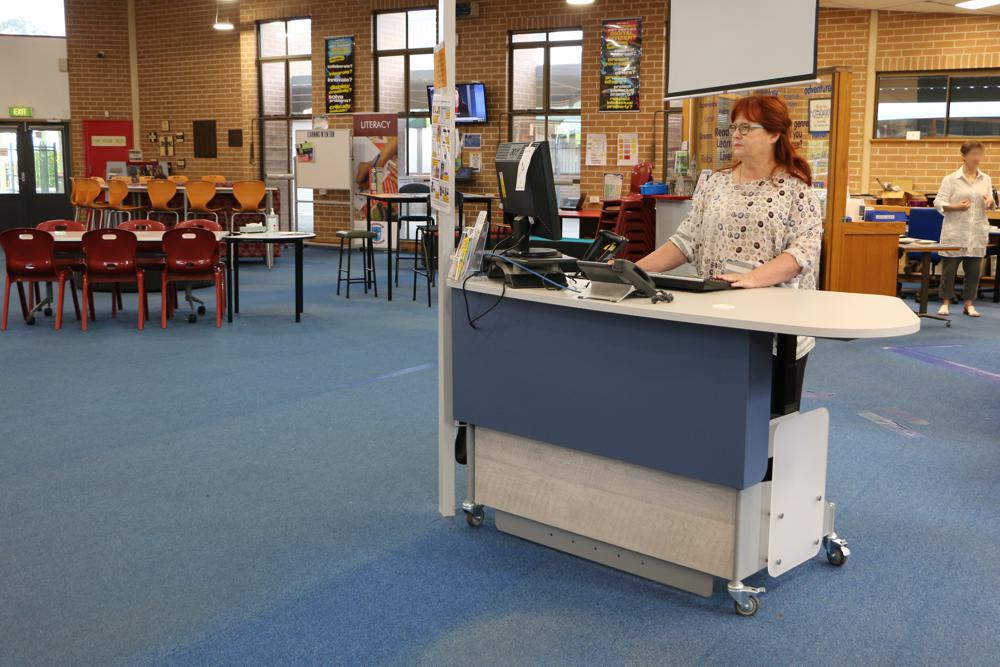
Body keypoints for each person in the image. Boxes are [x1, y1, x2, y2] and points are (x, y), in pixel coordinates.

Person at [636, 95, 822, 415]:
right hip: (717, 321)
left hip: (774, 332)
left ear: (774, 134)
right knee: (715, 419)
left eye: (746, 128)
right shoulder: (714, 183)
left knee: (767, 426)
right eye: (734, 127)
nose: (735, 134)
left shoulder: (796, 189)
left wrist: (751, 279)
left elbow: (802, 252)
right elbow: (686, 241)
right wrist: (632, 271)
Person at [933, 140, 994, 318]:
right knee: (949, 270)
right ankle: (945, 303)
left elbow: (990, 201)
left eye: (980, 154)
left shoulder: (986, 178)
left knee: (974, 271)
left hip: (976, 232)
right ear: (963, 157)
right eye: (974, 154)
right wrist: (955, 207)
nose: (977, 158)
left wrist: (990, 202)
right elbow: (938, 202)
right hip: (956, 230)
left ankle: (969, 304)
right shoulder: (951, 179)